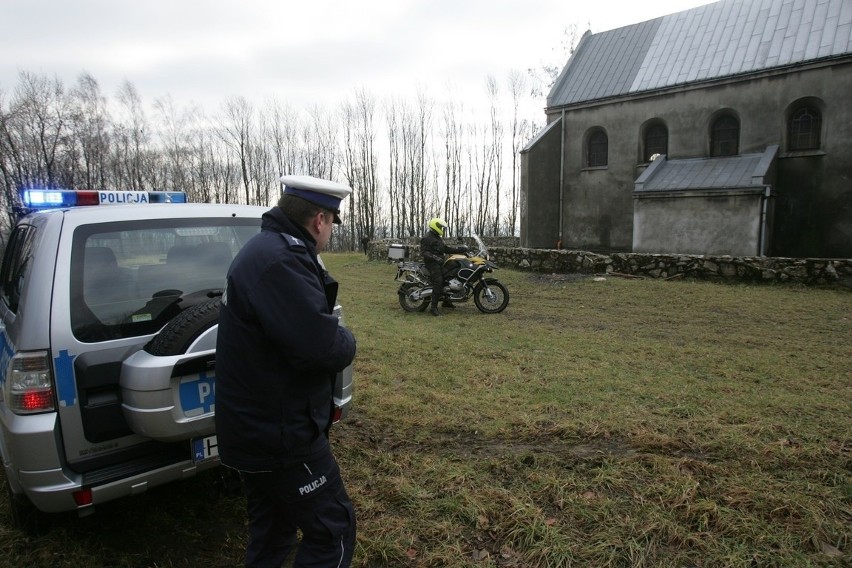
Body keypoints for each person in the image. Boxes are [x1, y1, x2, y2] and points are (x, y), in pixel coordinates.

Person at [215, 174, 357, 567]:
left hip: (254, 428)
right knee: (333, 532)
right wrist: (347, 339)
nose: (329, 232)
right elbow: (324, 346)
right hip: (281, 436)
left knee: (273, 533)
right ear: (320, 220)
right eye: (331, 222)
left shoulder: (266, 249)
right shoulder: (282, 260)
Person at [420, 217, 467, 317]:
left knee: (452, 273)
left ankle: (447, 301)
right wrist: (435, 258)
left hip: (440, 261)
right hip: (432, 263)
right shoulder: (427, 237)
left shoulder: (437, 237)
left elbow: (446, 249)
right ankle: (433, 308)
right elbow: (424, 252)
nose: (442, 229)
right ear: (435, 226)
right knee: (439, 281)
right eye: (441, 227)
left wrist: (461, 249)